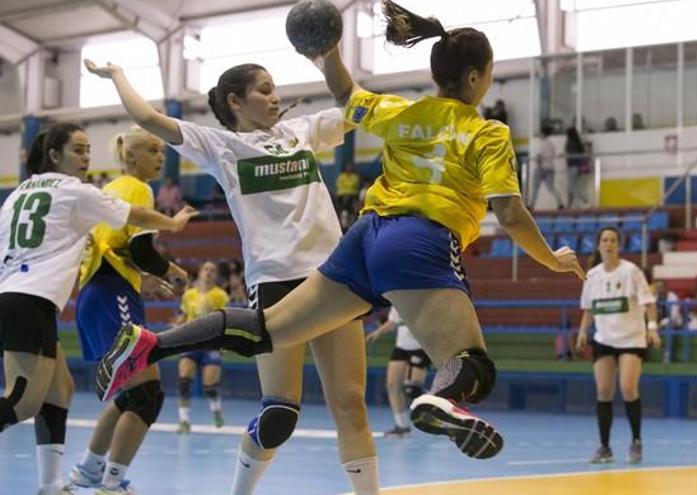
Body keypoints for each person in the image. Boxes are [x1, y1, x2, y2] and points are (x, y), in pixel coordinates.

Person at [94, 0, 584, 463]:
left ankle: (152, 343)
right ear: (476, 76)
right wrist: (551, 259)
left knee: (265, 334)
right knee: (472, 365)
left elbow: (349, 99)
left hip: (359, 242)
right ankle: (440, 398)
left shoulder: (400, 111)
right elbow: (512, 213)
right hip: (419, 239)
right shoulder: (487, 132)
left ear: (436, 75)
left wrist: (327, 54)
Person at [82, 57, 381, 494]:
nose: (275, 96)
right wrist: (118, 75)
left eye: (275, 87)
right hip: (276, 281)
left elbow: (358, 107)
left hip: (332, 275)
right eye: (264, 89)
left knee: (351, 402)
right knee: (280, 411)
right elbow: (146, 117)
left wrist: (329, 54)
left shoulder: (301, 131)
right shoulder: (219, 145)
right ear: (236, 101)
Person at [0, 123, 196, 495]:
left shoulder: (16, 195)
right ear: (55, 155)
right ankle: (105, 481)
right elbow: (135, 219)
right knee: (22, 403)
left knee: (60, 390)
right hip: (34, 299)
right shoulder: (78, 192)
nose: (86, 157)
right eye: (77, 149)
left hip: (21, 297)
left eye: (88, 149)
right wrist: (173, 223)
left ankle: (53, 484)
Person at [70, 126, 192, 495]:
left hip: (97, 294)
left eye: (161, 151)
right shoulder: (138, 189)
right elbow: (141, 250)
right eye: (153, 150)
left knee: (130, 393)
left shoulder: (111, 190)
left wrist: (141, 277)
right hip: (112, 295)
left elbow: (116, 249)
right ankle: (112, 483)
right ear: (132, 156)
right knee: (146, 395)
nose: (160, 157)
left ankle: (89, 472)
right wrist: (169, 270)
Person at [575, 228, 660, 464]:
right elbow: (588, 309)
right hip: (604, 339)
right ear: (599, 245)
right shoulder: (592, 276)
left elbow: (649, 303)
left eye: (613, 240)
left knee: (628, 388)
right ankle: (604, 447)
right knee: (603, 391)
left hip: (631, 339)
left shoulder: (631, 271)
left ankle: (636, 441)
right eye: (604, 240)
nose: (609, 244)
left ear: (619, 245)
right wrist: (583, 331)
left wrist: (652, 328)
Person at [175, 261, 229, 433]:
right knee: (184, 382)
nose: (209, 272)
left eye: (213, 270)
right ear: (199, 272)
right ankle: (184, 421)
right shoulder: (189, 294)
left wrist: (212, 310)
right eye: (206, 269)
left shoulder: (220, 295)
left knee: (210, 387)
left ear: (216, 275)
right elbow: (184, 315)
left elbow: (224, 319)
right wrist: (177, 326)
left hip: (211, 344)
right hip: (191, 341)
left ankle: (216, 410)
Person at [365, 306, 431, 437]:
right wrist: (377, 332)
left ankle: (441, 410)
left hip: (421, 347)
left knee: (412, 388)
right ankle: (402, 426)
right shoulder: (397, 298)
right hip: (401, 347)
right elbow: (393, 321)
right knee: (392, 385)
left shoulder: (425, 297)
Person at [531, 126, 564, 209]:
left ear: (543, 133)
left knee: (535, 188)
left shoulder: (541, 144)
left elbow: (539, 157)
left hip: (541, 168)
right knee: (551, 188)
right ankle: (559, 202)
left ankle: (531, 205)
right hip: (550, 168)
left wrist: (538, 166)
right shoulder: (551, 144)